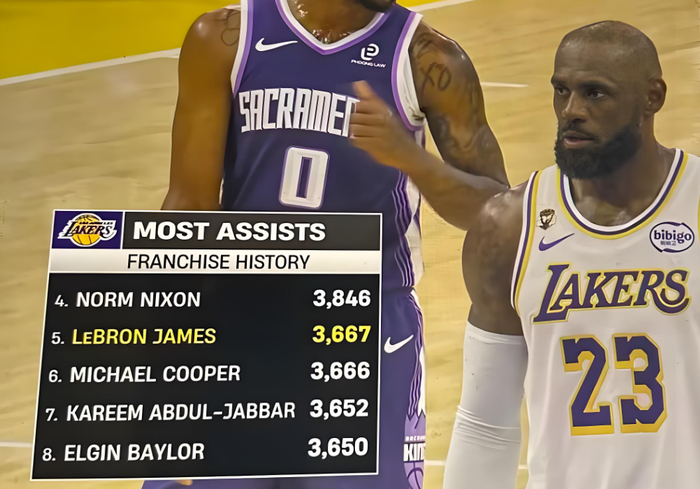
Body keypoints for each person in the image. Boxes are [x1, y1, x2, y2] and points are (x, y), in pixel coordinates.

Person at [147, 1, 508, 488]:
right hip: (241, 320)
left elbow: (497, 213)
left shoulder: (429, 59)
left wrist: (412, 159)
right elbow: (189, 206)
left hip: (368, 327)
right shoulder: (225, 37)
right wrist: (167, 362)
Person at [443, 21, 700, 489]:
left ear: (652, 98)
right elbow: (485, 424)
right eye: (561, 91)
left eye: (594, 93)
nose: (571, 111)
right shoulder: (508, 226)